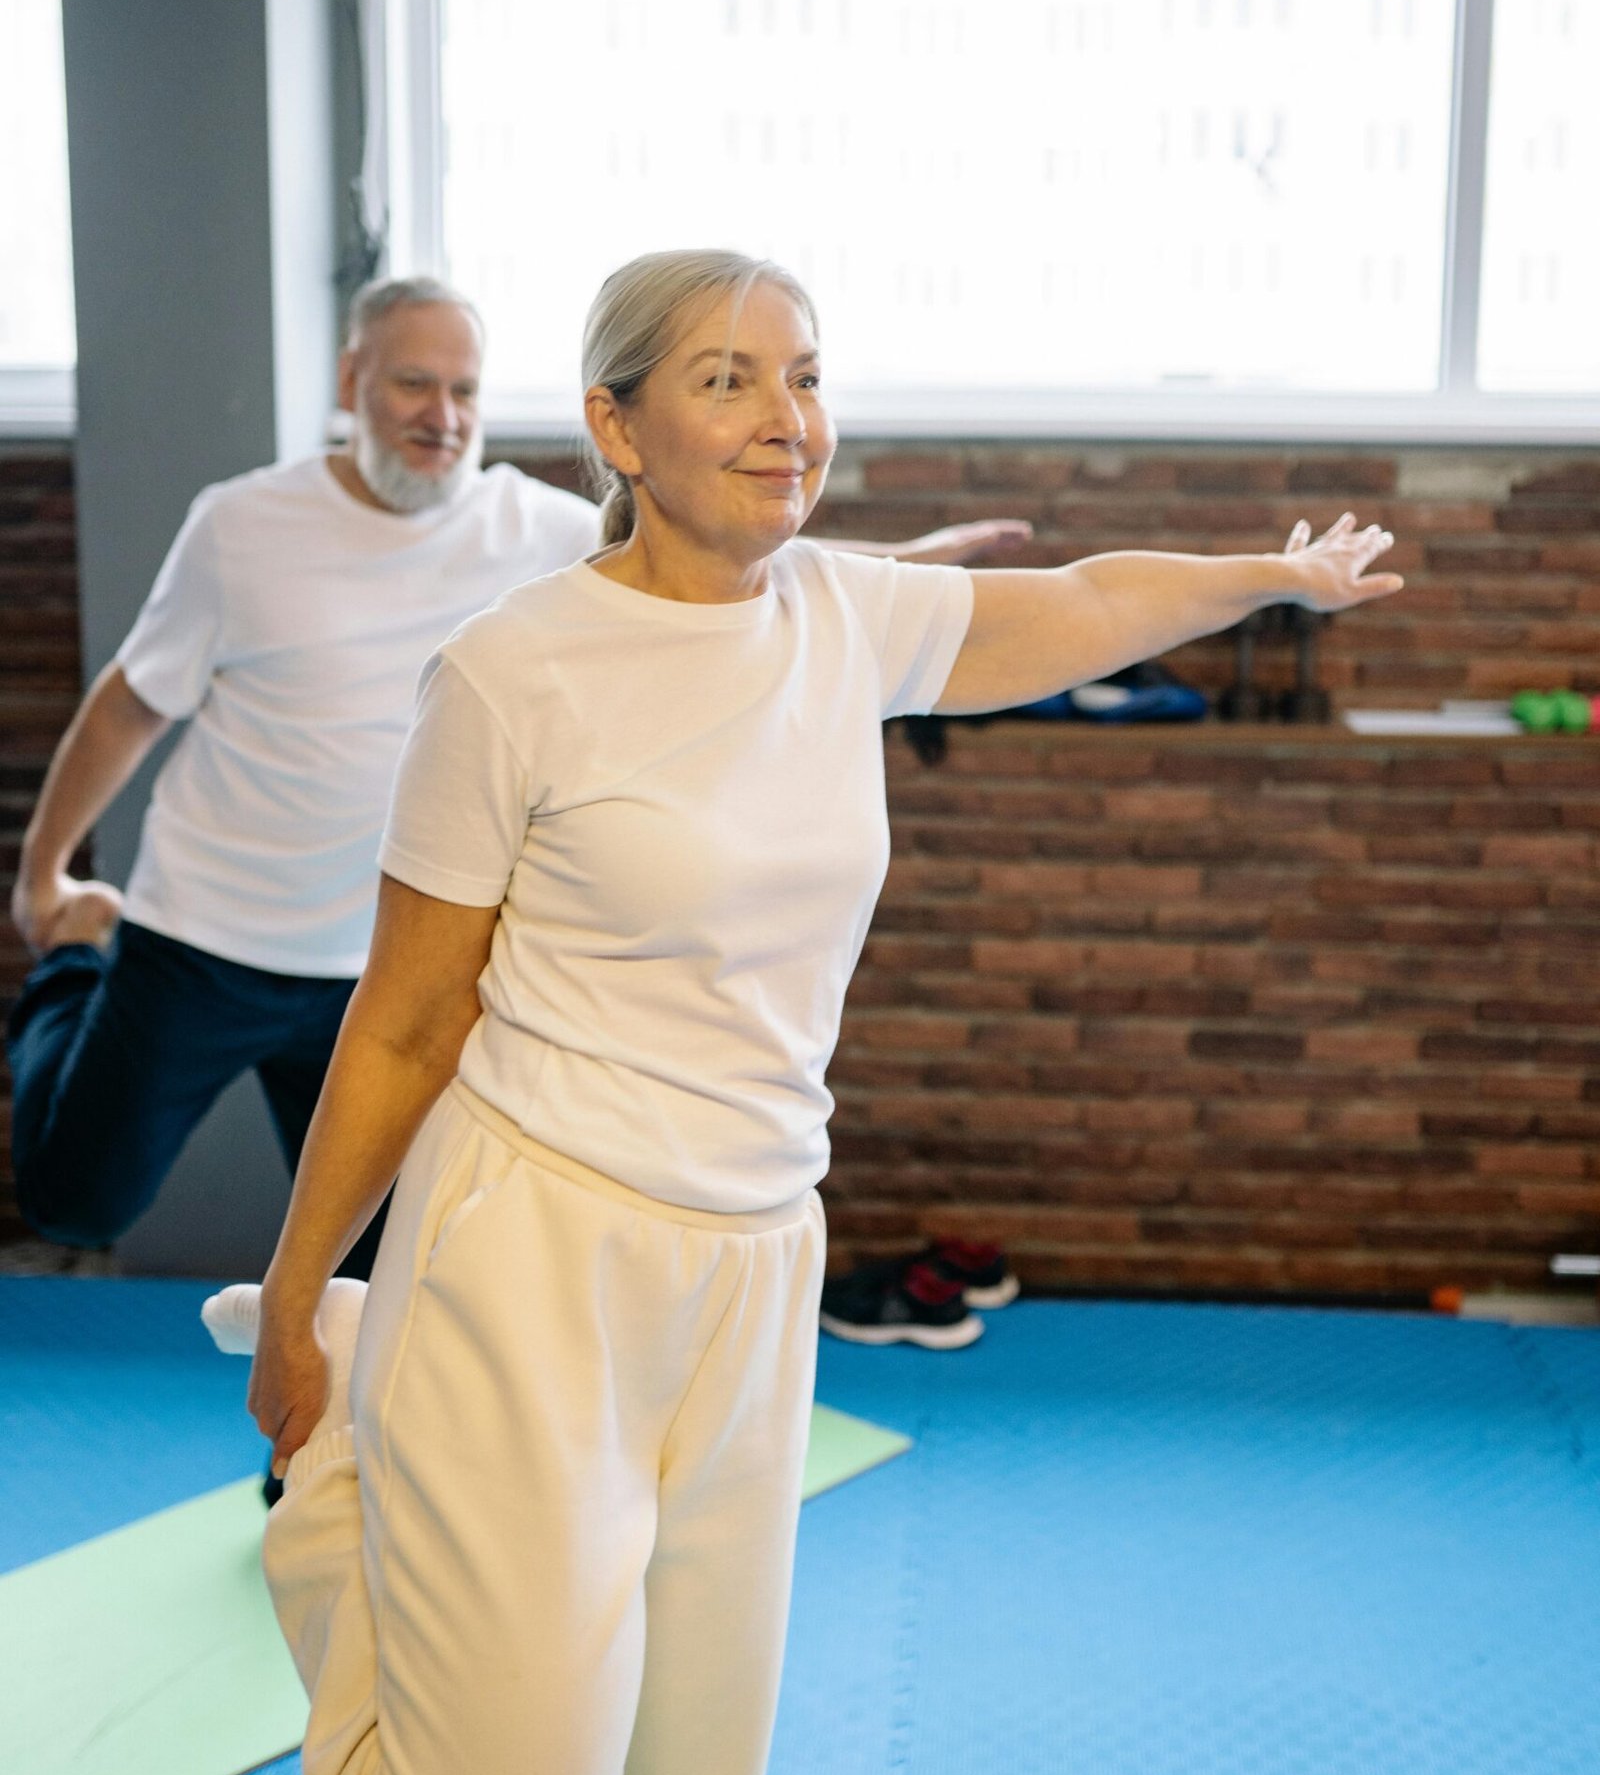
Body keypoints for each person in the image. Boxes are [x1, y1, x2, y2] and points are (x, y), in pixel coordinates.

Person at [204, 247, 1401, 1775]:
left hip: (759, 1263)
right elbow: (403, 1021)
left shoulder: (849, 616)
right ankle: (348, 1483)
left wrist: (1272, 578)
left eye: (808, 375)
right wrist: (303, 1302)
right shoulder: (513, 671)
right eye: (727, 379)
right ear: (616, 423)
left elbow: (1080, 605)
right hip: (537, 1251)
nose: (789, 418)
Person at [6, 275, 1024, 1279]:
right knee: (78, 1199)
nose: (441, 416)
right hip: (204, 935)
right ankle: (74, 972)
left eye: (465, 392)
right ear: (353, 377)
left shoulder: (532, 530)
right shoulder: (239, 525)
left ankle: (321, 1453)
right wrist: (45, 875)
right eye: (414, 385)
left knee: (379, 1275)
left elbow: (708, 547)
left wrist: (909, 564)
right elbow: (130, 702)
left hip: (377, 964)